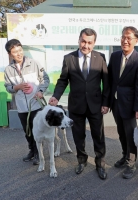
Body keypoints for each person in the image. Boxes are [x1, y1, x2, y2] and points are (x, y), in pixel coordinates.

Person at [48, 28, 110, 180]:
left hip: (95, 104)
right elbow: (63, 80)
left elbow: (106, 82)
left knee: (98, 136)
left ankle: (100, 164)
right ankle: (81, 161)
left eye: (89, 42)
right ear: (78, 40)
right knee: (78, 136)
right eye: (83, 41)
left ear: (94, 43)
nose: (86, 45)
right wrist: (56, 96)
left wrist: (106, 102)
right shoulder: (69, 58)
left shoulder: (100, 57)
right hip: (76, 105)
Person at [108, 26, 138, 179]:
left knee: (131, 134)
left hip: (131, 105)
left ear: (136, 40)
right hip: (116, 103)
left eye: (129, 38)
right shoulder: (115, 56)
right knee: (121, 132)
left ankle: (131, 163)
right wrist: (107, 101)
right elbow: (110, 81)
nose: (125, 40)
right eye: (123, 37)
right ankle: (125, 156)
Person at [4, 39, 49, 165]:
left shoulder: (34, 63)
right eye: (15, 52)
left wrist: (40, 91)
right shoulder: (8, 70)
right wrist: (16, 87)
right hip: (22, 107)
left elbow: (45, 79)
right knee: (27, 131)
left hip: (35, 105)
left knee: (37, 130)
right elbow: (8, 87)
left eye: (20, 50)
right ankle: (32, 151)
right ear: (10, 54)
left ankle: (39, 154)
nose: (19, 54)